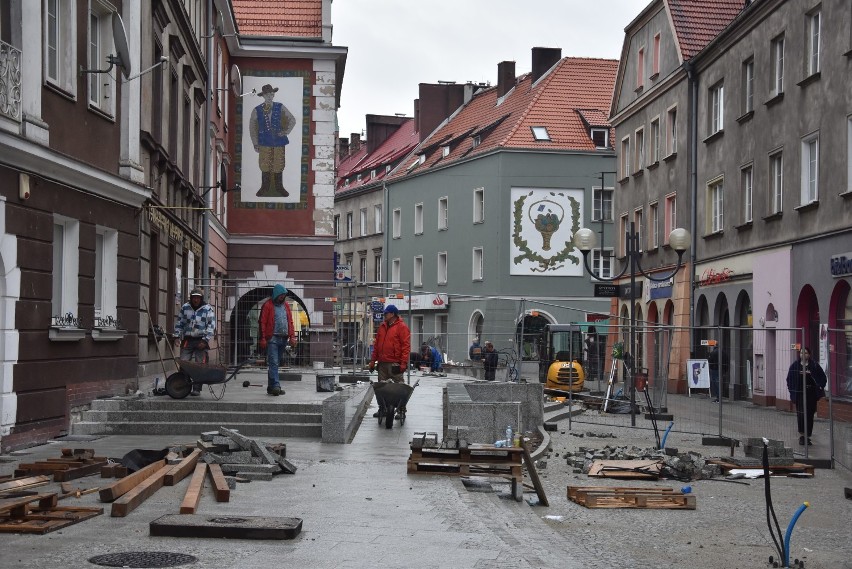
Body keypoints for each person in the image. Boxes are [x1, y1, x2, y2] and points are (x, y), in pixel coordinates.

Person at [249, 84, 296, 198]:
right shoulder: (257, 110)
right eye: (267, 94)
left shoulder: (280, 107)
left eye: (271, 94)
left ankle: (279, 188)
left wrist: (285, 132)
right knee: (264, 165)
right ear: (263, 96)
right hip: (264, 142)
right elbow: (252, 127)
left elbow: (292, 119)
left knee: (279, 164)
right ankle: (264, 187)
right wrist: (255, 143)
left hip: (279, 142)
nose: (270, 96)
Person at [369, 305, 411, 416]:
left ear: (392, 314)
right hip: (382, 364)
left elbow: (405, 347)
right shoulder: (382, 327)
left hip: (395, 363)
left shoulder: (402, 327)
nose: (384, 316)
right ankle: (382, 409)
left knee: (399, 387)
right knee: (381, 389)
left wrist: (403, 363)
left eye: (386, 314)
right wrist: (373, 361)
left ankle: (401, 410)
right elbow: (377, 346)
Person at [173, 288, 216, 396]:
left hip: (201, 340)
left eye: (198, 298)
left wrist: (205, 340)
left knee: (199, 365)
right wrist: (177, 336)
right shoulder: (185, 308)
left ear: (201, 298)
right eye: (194, 298)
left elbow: (211, 326)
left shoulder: (207, 309)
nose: (195, 300)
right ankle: (183, 386)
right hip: (188, 339)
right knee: (183, 363)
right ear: (191, 298)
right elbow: (180, 323)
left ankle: (197, 388)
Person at [258, 284, 296, 396]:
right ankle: (276, 386)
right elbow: (262, 322)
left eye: (284, 295)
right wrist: (263, 338)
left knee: (275, 363)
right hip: (272, 338)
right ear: (276, 294)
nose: (282, 297)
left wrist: (292, 336)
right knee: (273, 362)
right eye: (281, 295)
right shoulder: (268, 305)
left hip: (283, 338)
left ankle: (271, 387)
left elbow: (290, 322)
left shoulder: (286, 306)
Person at [785, 347, 827, 446]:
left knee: (809, 414)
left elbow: (823, 378)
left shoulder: (814, 365)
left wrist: (820, 386)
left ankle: (807, 436)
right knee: (801, 414)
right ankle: (802, 435)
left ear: (809, 354)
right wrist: (792, 391)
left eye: (806, 353)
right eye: (801, 353)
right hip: (799, 393)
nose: (803, 355)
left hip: (811, 394)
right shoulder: (795, 366)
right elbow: (789, 380)